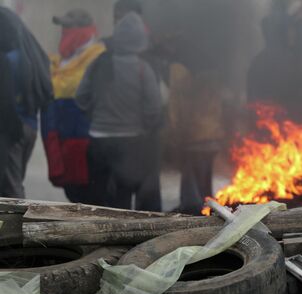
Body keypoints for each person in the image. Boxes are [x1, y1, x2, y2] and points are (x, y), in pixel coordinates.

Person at [75, 12, 162, 210]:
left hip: (98, 140)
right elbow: (154, 107)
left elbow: (80, 97)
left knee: (98, 200)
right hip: (131, 143)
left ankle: (94, 237)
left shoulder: (98, 63)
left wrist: (95, 116)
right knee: (123, 199)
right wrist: (144, 125)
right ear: (140, 40)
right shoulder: (143, 69)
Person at [41, 9, 106, 203]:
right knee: (73, 194)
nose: (64, 31)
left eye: (69, 27)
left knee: (91, 197)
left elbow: (76, 89)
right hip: (62, 139)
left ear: (85, 30)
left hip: (86, 141)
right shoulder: (60, 60)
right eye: (63, 27)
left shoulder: (97, 57)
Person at [0, 7, 53, 198]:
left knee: (10, 189)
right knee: (15, 183)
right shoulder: (30, 55)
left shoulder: (8, 60)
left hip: (12, 130)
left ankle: (16, 227)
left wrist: (11, 130)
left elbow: (5, 101)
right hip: (30, 126)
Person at [168, 64, 225, 214]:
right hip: (211, 137)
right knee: (205, 175)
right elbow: (218, 111)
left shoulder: (185, 85)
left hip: (193, 138)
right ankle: (207, 206)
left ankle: (193, 208)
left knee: (191, 175)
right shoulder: (213, 84)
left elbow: (176, 111)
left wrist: (175, 132)